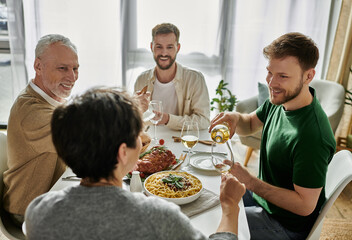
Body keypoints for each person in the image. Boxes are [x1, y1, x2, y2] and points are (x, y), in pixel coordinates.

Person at [24, 88, 246, 240]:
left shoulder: (38, 211)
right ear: (122, 153)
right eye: (137, 135)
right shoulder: (158, 217)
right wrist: (229, 208)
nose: (141, 140)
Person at [209, 32, 336, 240]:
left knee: (215, 222)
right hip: (264, 201)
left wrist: (250, 182)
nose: (272, 82)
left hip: (284, 226)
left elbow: (305, 205)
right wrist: (234, 117)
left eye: (283, 76)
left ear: (308, 76)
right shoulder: (281, 99)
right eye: (270, 72)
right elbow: (249, 124)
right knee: (207, 203)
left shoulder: (313, 136)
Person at [3, 34, 79, 225]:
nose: (72, 77)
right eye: (62, 68)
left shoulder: (50, 98)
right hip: (27, 211)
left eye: (75, 68)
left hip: (50, 196)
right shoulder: (31, 111)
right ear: (38, 66)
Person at [134, 23, 210, 130]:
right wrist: (136, 110)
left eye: (169, 47)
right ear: (151, 47)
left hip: (181, 141)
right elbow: (135, 123)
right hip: (151, 143)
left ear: (177, 48)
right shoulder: (141, 80)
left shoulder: (195, 79)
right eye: (159, 47)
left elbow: (204, 120)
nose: (164, 53)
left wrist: (168, 119)